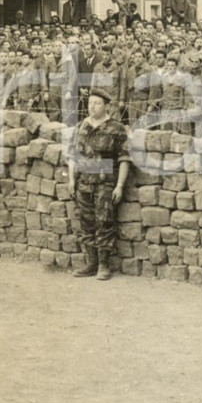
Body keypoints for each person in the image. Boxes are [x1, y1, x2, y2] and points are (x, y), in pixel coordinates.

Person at [69, 88, 131, 281]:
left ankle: (104, 264)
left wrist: (119, 185)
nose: (92, 107)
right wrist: (71, 179)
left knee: (104, 222)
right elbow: (73, 156)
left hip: (104, 182)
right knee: (86, 222)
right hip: (84, 181)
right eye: (90, 103)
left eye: (96, 103)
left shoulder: (116, 128)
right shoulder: (81, 126)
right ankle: (91, 262)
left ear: (106, 106)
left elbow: (124, 159)